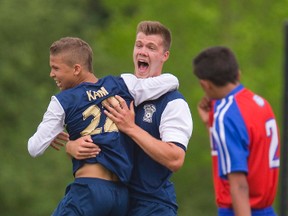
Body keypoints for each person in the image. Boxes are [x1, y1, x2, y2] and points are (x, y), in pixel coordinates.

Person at [27, 36, 180, 216]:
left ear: (76, 69)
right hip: (120, 197)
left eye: (55, 68)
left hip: (89, 191)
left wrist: (52, 134)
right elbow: (172, 80)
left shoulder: (62, 101)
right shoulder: (122, 84)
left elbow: (34, 148)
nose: (52, 74)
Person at [67, 21, 193, 216]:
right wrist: (71, 146)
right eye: (139, 45)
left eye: (151, 47)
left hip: (153, 205)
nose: (143, 51)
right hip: (114, 202)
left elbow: (175, 158)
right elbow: (89, 135)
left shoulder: (173, 102)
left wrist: (131, 128)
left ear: (164, 56)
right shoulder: (115, 91)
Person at [193, 46, 280, 216]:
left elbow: (239, 185)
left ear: (205, 84)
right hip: (267, 210)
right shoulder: (260, 104)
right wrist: (209, 125)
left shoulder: (226, 114)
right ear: (238, 74)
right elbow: (244, 150)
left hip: (240, 210)